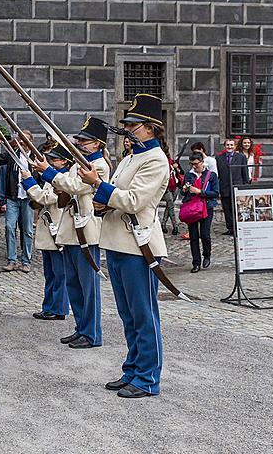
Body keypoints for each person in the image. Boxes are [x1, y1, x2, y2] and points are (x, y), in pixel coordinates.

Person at [79, 94, 170, 398]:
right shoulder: (132, 157)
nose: (128, 129)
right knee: (128, 314)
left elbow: (134, 201)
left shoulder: (156, 160)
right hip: (118, 241)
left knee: (143, 314)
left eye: (133, 124)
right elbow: (117, 196)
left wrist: (98, 185)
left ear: (149, 128)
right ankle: (133, 368)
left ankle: (147, 377)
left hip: (138, 244)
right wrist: (102, 202)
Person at [32, 116, 110, 350]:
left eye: (85, 141)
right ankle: (81, 328)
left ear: (97, 143)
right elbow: (66, 183)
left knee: (88, 287)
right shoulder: (80, 163)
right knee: (74, 285)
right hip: (71, 229)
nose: (80, 143)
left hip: (86, 231)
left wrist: (48, 172)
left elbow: (75, 186)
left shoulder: (99, 166)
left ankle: (92, 333)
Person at [22, 145, 71, 321]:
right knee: (50, 273)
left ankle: (59, 308)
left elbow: (46, 198)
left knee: (59, 273)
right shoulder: (54, 178)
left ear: (64, 161)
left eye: (54, 159)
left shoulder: (64, 178)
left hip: (58, 229)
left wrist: (29, 181)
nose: (51, 162)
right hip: (49, 229)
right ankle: (49, 305)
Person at [0, 131, 35, 273]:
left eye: (25, 140)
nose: (21, 142)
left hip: (28, 198)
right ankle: (12, 260)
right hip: (13, 197)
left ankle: (26, 260)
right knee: (9, 228)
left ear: (31, 141)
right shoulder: (12, 155)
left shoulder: (35, 158)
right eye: (19, 139)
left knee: (28, 230)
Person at [182, 152, 219, 273]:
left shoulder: (211, 175)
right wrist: (184, 190)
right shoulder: (189, 175)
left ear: (202, 162)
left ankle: (207, 255)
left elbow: (215, 193)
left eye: (196, 164)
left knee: (205, 235)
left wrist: (200, 192)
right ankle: (196, 262)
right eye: (192, 164)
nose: (194, 166)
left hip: (206, 207)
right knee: (193, 236)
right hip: (192, 208)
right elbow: (183, 192)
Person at [216, 139, 249, 235]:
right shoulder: (219, 158)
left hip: (237, 186)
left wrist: (245, 186)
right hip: (224, 187)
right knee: (227, 209)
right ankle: (230, 228)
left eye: (231, 145)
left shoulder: (241, 157)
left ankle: (239, 228)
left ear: (234, 146)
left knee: (238, 209)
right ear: (224, 146)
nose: (229, 147)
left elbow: (245, 172)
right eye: (227, 145)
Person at [159, 140, 182, 237]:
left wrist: (176, 167)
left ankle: (163, 224)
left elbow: (181, 172)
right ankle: (175, 226)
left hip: (175, 186)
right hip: (166, 187)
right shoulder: (160, 161)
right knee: (171, 205)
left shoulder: (171, 161)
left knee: (169, 206)